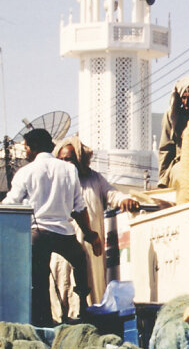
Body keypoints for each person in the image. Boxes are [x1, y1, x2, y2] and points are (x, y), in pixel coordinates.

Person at [3, 128, 101, 327]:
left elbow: (10, 204)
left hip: (37, 234)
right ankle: (82, 309)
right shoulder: (68, 169)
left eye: (26, 148)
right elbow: (79, 207)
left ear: (32, 148)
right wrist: (91, 235)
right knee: (80, 261)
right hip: (64, 233)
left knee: (39, 281)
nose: (25, 153)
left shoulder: (25, 172)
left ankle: (44, 322)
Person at [49, 136, 140, 321]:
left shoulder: (94, 179)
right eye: (62, 160)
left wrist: (125, 200)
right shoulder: (54, 184)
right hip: (60, 251)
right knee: (60, 294)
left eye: (69, 159)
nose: (65, 164)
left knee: (88, 296)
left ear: (79, 160)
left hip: (89, 249)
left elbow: (112, 194)